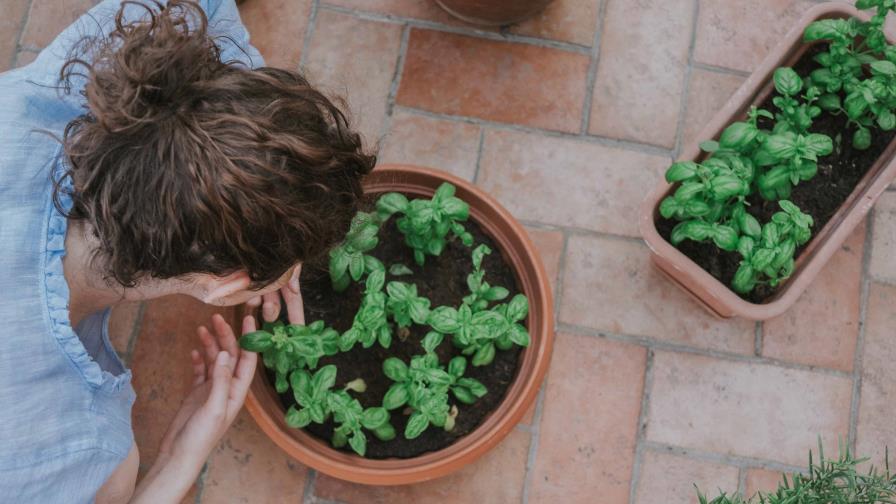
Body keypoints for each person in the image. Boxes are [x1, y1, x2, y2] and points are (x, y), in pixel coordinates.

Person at [0, 0, 375, 502]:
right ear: (226, 287)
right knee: (116, 474)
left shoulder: (59, 89)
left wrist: (246, 162)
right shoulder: (66, 442)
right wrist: (180, 460)